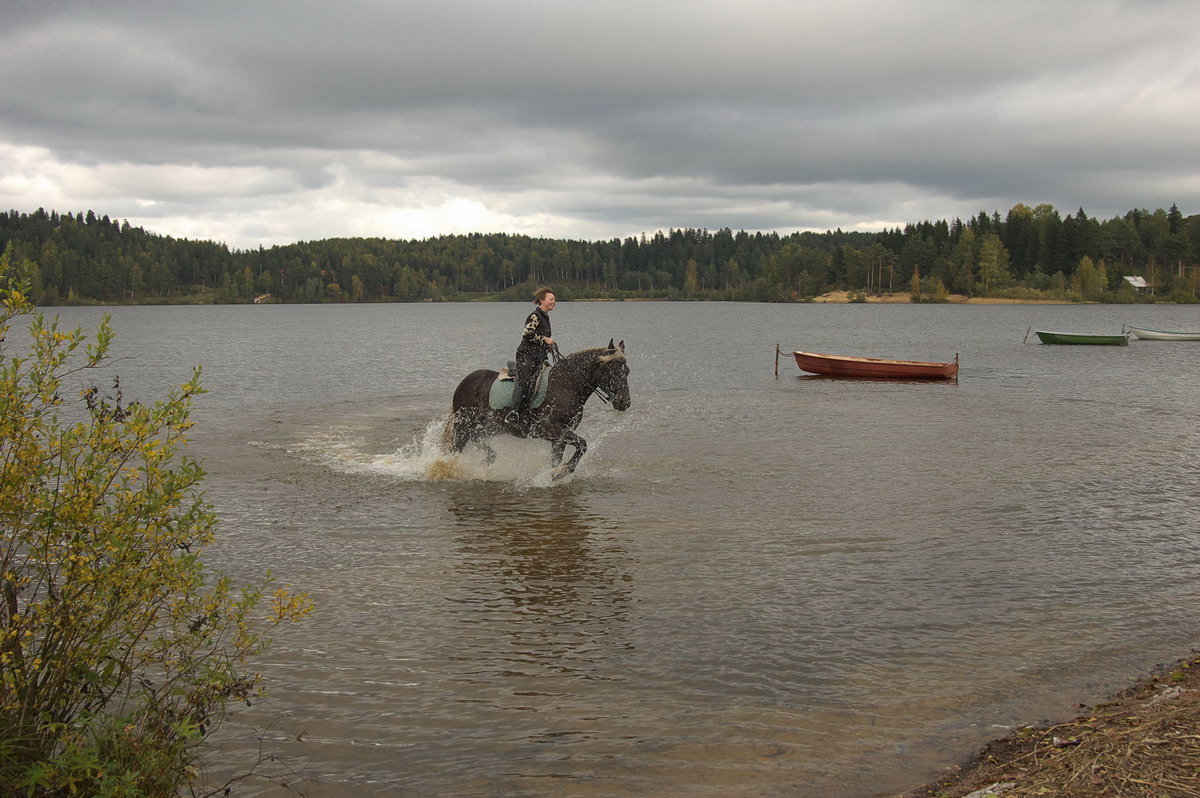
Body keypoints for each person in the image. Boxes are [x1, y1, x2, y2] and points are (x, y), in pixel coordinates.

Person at [507, 287, 556, 424]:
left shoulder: (546, 317)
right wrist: (545, 339)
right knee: (525, 380)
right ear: (542, 300)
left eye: (554, 300)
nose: (553, 302)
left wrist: (548, 346)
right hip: (526, 355)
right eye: (551, 299)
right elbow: (527, 333)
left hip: (539, 356)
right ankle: (513, 412)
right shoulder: (535, 316)